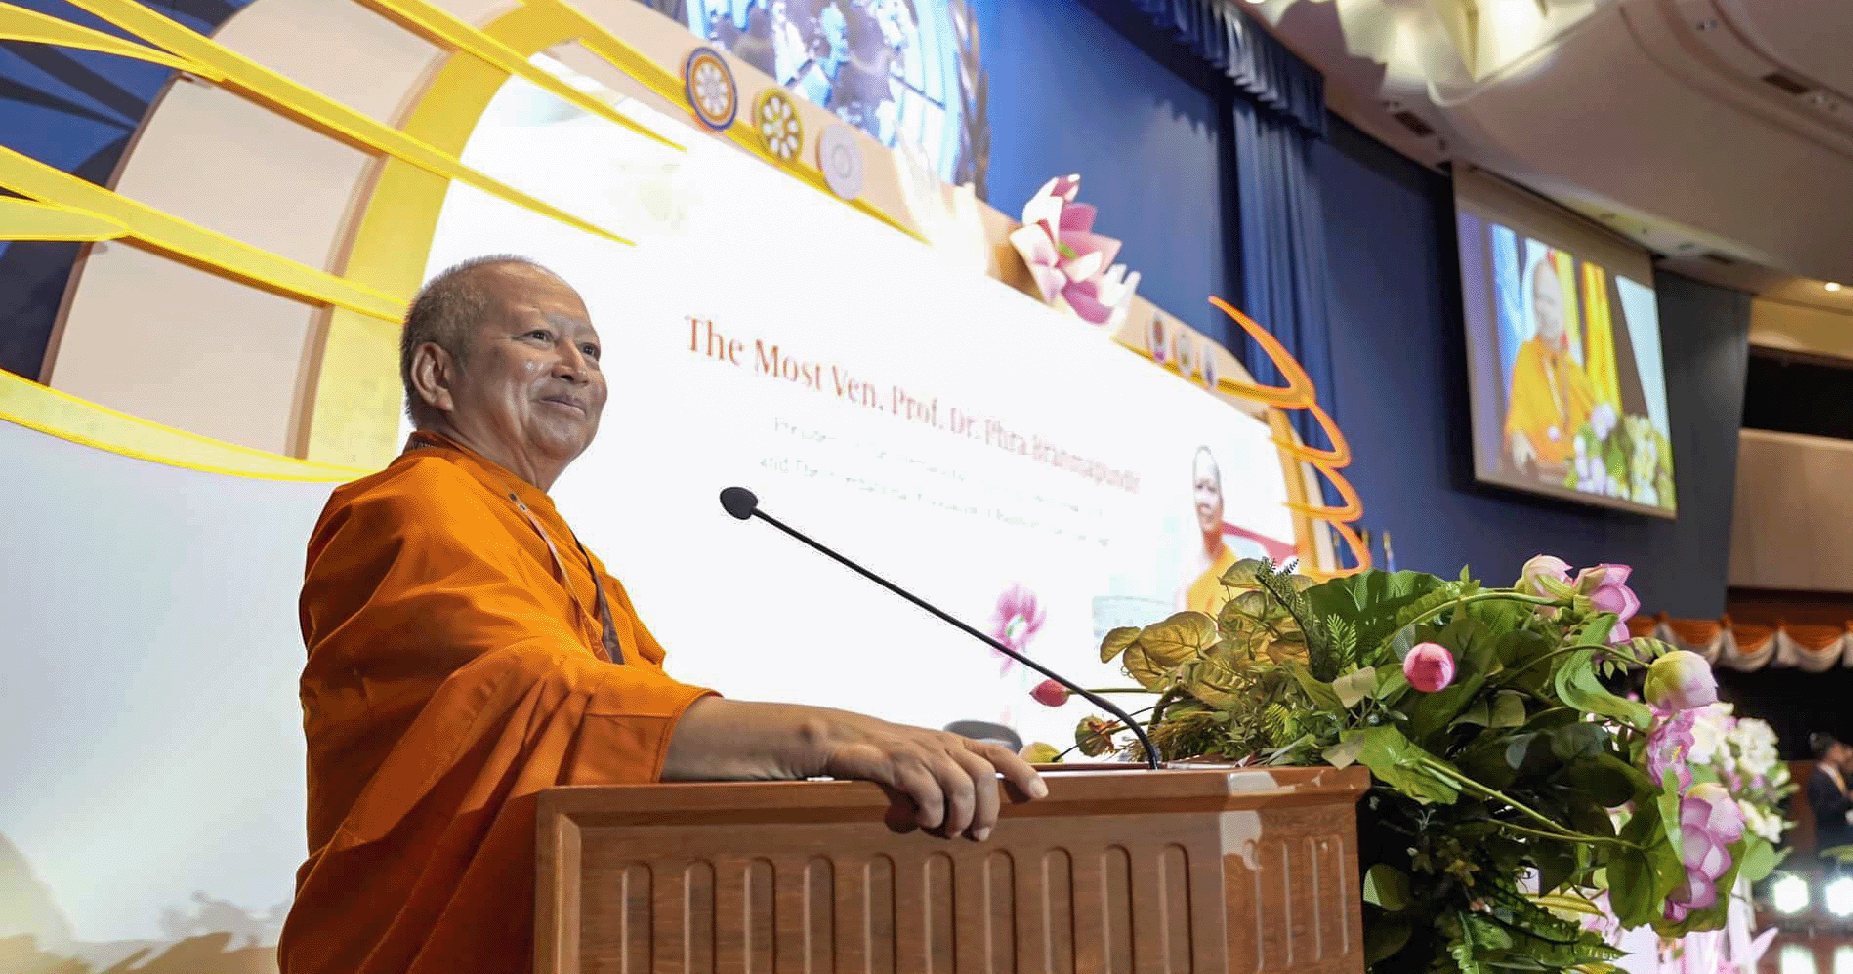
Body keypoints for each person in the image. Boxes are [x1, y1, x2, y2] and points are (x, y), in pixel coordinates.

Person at [277, 257, 1046, 974]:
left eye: (591, 349)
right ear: (437, 373)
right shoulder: (408, 505)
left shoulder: (564, 546)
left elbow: (630, 739)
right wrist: (828, 737)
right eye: (539, 337)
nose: (577, 366)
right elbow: (536, 696)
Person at [1502, 253, 1599, 477]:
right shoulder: (1527, 356)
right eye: (1538, 298)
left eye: (1551, 301)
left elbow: (1598, 427)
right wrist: (1518, 439)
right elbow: (1518, 417)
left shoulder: (1576, 373)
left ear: (1565, 308)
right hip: (1541, 477)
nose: (1542, 308)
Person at [1181, 446, 1237, 617]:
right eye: (1199, 487)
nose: (1204, 500)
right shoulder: (1188, 575)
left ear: (1223, 501)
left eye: (1211, 489)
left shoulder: (1235, 575)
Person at [1805, 735, 1853, 856]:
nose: (1843, 753)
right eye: (1840, 749)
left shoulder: (1839, 774)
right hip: (1836, 841)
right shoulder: (1817, 779)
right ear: (1830, 752)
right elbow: (1823, 810)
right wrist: (1850, 799)